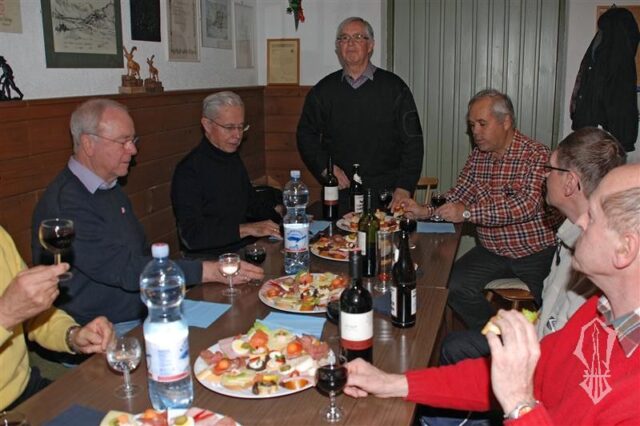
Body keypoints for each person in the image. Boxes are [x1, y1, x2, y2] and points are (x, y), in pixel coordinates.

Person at [345, 163, 640, 424]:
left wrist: (519, 405)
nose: (580, 221)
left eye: (593, 216)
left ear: (625, 249)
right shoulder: (597, 314)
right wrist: (392, 383)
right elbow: (495, 377)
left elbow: (517, 391)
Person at [31, 99, 263, 337]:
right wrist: (207, 271)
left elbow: (141, 255)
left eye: (133, 141)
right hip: (102, 329)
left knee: (244, 326)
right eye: (123, 141)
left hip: (145, 309)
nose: (133, 150)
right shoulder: (67, 204)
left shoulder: (108, 188)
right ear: (89, 143)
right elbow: (124, 269)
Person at [440, 128, 626, 365]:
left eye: (550, 169)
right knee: (458, 329)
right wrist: (520, 323)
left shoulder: (591, 256)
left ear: (570, 182)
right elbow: (549, 310)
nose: (544, 176)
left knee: (453, 347)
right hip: (537, 333)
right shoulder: (569, 235)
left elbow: (563, 345)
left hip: (545, 360)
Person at [402, 89, 562, 330]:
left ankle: (537, 343)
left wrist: (467, 213)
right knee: (453, 286)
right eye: (472, 125)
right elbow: (460, 193)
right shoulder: (479, 156)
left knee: (553, 307)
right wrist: (425, 211)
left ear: (506, 122)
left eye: (482, 124)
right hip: (492, 252)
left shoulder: (536, 155)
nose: (475, 131)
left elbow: (526, 206)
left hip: (535, 252)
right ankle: (497, 333)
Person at [297, 16, 423, 210]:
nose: (350, 43)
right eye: (344, 38)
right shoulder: (323, 91)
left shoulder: (395, 88)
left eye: (358, 37)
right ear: (338, 47)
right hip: (340, 193)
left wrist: (405, 187)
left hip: (387, 196)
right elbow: (305, 135)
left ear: (370, 45)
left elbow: (413, 142)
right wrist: (326, 168)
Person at [0, 226, 113, 410]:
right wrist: (5, 315)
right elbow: (10, 312)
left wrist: (73, 335)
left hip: (26, 390)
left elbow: (33, 315)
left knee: (113, 410)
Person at [171, 91, 282, 258]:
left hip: (241, 249)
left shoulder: (231, 158)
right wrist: (246, 229)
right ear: (207, 125)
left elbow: (251, 203)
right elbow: (192, 236)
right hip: (209, 260)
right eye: (229, 127)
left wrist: (283, 216)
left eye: (241, 127)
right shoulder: (189, 171)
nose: (237, 135)